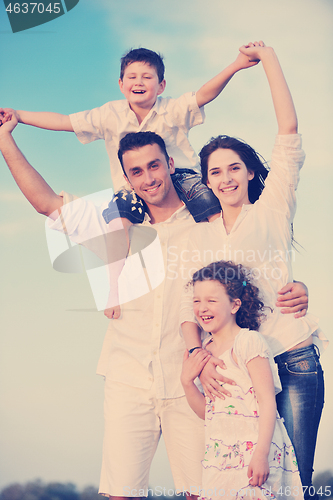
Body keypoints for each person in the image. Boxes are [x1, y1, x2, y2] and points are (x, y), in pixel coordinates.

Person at [0, 123, 308, 498]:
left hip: (195, 379)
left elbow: (256, 268)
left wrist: (298, 289)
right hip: (127, 375)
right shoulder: (113, 227)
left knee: (203, 491)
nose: (148, 178)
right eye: (136, 171)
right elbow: (45, 202)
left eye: (154, 166)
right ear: (128, 178)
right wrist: (4, 138)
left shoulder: (205, 226)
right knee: (121, 492)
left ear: (170, 164)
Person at [180, 42, 326, 499]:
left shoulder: (272, 208)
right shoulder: (201, 236)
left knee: (294, 483)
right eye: (216, 172)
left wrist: (270, 61)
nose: (225, 178)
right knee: (250, 483)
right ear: (207, 181)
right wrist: (195, 358)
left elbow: (288, 129)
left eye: (234, 168)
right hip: (240, 366)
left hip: (293, 357)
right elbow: (191, 310)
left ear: (248, 173)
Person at [181, 261, 303, 499]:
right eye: (197, 301)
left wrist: (261, 454)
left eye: (211, 300)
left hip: (254, 455)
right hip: (220, 460)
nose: (202, 308)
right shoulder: (204, 352)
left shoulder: (249, 342)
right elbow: (209, 413)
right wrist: (187, 383)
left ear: (235, 305)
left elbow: (268, 402)